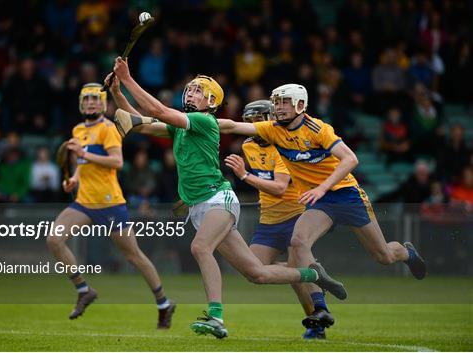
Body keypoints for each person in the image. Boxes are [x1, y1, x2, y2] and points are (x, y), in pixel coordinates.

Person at [109, 57, 347, 340]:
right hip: (200, 207)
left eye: (198, 91)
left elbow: (157, 109)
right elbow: (140, 124)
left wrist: (127, 78)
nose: (191, 93)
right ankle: (313, 275)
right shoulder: (180, 126)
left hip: (218, 200)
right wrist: (116, 92)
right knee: (256, 274)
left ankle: (216, 317)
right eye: (190, 89)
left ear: (211, 101)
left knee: (200, 248)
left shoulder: (204, 121)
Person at [218, 83, 427, 327]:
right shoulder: (273, 130)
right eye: (277, 102)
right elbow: (231, 125)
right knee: (298, 242)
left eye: (284, 102)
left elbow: (351, 159)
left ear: (299, 105)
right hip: (320, 202)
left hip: (347, 196)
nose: (279, 107)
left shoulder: (318, 129)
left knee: (383, 255)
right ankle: (321, 309)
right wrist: (191, 121)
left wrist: (321, 187)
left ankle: (406, 252)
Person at [45, 83, 175, 328]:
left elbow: (116, 162)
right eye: (87, 99)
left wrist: (83, 153)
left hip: (110, 203)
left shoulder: (109, 129)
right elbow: (83, 165)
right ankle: (84, 290)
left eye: (96, 99)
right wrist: (74, 178)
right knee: (54, 239)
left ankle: (163, 302)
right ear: (81, 103)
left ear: (103, 103)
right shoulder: (78, 129)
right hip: (84, 200)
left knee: (133, 256)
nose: (91, 103)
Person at [224, 100, 330, 340]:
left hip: (295, 215)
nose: (253, 125)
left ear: (271, 118)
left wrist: (244, 176)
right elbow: (267, 183)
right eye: (250, 121)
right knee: (255, 270)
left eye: (258, 120)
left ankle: (316, 325)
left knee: (295, 276)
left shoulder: (283, 143)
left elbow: (280, 187)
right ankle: (313, 272)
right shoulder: (249, 145)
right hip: (269, 221)